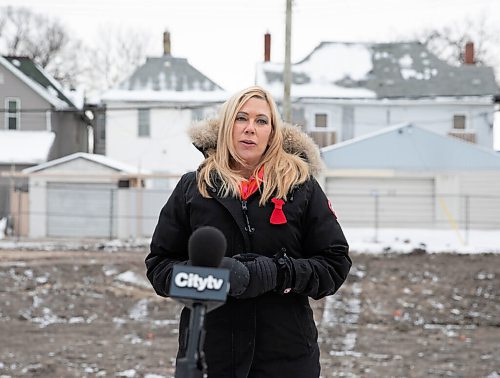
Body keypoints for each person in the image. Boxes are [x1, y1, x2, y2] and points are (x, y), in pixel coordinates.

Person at [146, 86, 351, 378]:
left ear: (273, 132)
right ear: (227, 126)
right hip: (209, 357)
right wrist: (213, 280)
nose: (250, 129)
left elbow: (334, 264)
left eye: (261, 121)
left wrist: (275, 274)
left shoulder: (301, 188)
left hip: (287, 360)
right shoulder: (193, 188)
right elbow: (160, 268)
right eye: (241, 119)